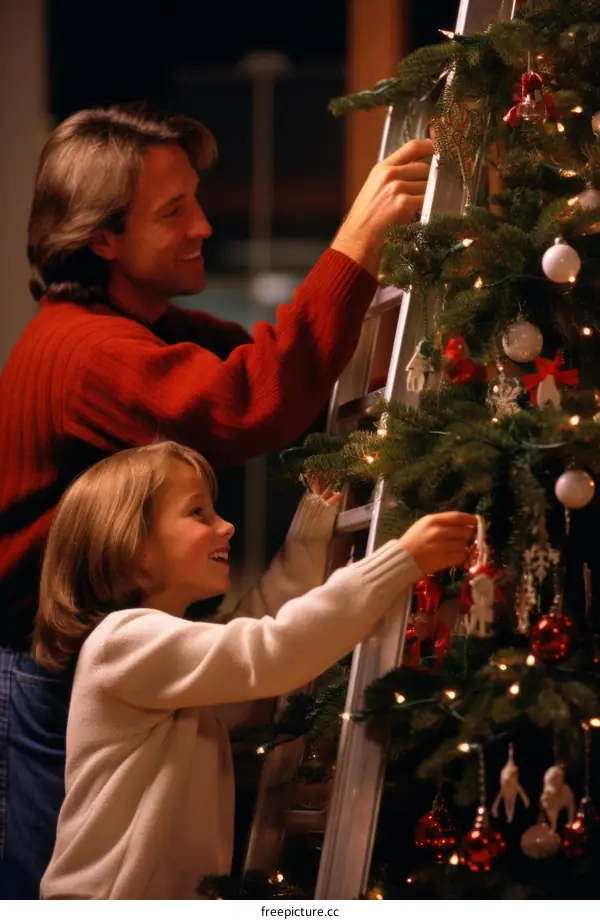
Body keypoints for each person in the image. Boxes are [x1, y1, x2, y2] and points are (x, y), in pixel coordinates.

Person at [0, 101, 433, 897]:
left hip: (78, 661)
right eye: (174, 212)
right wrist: (354, 247)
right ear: (103, 238)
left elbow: (262, 365)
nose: (203, 226)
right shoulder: (87, 352)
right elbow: (244, 401)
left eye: (197, 199)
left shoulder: (137, 328)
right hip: (50, 671)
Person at [33, 440, 476, 899]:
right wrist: (399, 560)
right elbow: (271, 650)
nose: (226, 525)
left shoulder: (158, 651)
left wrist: (309, 533)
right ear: (134, 545)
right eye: (198, 514)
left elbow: (254, 627)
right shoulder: (123, 642)